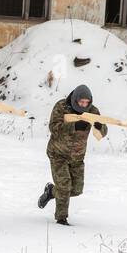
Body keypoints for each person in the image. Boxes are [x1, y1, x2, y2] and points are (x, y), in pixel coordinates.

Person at [38, 84, 106, 225]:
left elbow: (103, 132)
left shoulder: (93, 111)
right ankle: (61, 219)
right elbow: (53, 127)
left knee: (76, 190)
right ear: (75, 100)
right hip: (58, 153)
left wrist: (100, 127)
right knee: (64, 186)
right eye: (81, 102)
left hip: (77, 158)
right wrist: (73, 126)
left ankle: (51, 191)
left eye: (87, 102)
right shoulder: (62, 106)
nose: (84, 105)